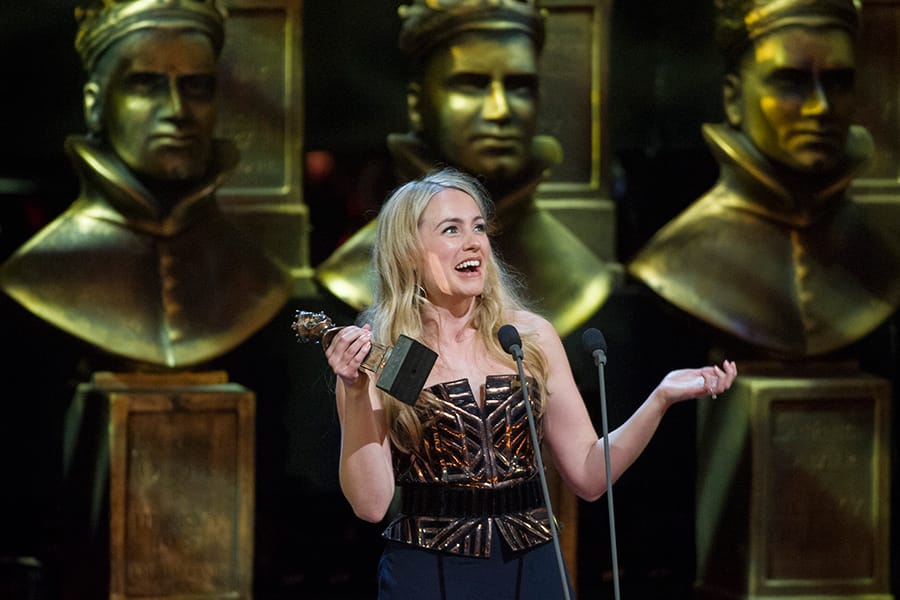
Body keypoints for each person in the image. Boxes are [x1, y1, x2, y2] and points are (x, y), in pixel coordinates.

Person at [322, 167, 737, 599]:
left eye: (479, 227)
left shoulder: (527, 338)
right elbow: (371, 506)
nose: (474, 243)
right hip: (430, 574)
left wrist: (660, 398)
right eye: (451, 230)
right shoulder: (379, 354)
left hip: (534, 569)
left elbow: (590, 475)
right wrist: (354, 392)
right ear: (408, 252)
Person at [0, 0, 292, 369]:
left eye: (196, 87)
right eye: (145, 85)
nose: (176, 110)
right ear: (95, 104)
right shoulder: (35, 276)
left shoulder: (260, 279)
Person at [316, 0, 618, 338]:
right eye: (471, 84)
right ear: (417, 104)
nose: (500, 110)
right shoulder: (352, 276)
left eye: (519, 86)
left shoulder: (583, 278)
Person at [627, 0, 900, 359]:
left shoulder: (878, 258)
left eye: (837, 82)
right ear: (733, 99)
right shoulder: (674, 263)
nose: (821, 107)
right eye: (791, 82)